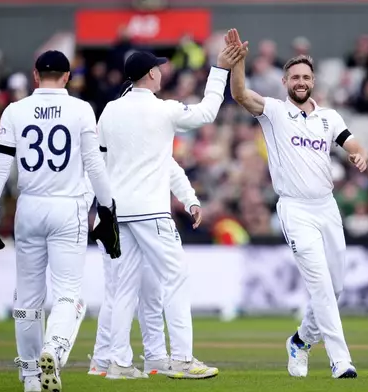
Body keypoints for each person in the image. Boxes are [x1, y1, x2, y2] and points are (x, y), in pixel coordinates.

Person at [96, 36, 246, 379]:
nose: (163, 72)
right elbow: (208, 112)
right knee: (176, 278)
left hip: (119, 212)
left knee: (124, 288)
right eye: (159, 68)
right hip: (151, 211)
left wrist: (102, 208)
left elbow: (102, 161)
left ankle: (118, 362)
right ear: (150, 74)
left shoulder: (109, 110)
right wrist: (220, 68)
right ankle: (181, 359)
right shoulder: (164, 109)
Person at [227, 29, 368, 379]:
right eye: (295, 77)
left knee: (335, 288)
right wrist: (239, 63)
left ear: (313, 81)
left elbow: (353, 144)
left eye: (306, 77)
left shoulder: (329, 117)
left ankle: (301, 341)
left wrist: (360, 156)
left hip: (327, 207)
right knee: (320, 285)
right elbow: (241, 94)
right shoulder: (274, 112)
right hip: (295, 209)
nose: (301, 82)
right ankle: (341, 360)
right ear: (285, 81)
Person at [0, 50, 120, 392]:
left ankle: (29, 378)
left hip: (29, 206)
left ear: (36, 75)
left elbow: (0, 165)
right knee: (68, 293)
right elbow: (94, 165)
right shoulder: (81, 109)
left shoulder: (15, 110)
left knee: (27, 300)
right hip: (67, 206)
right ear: (68, 77)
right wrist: (107, 209)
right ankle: (54, 349)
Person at [88, 158, 203, 378]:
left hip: (122, 218)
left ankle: (149, 356)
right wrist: (190, 199)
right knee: (123, 291)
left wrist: (190, 200)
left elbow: (91, 168)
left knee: (148, 292)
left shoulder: (117, 129)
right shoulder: (139, 131)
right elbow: (171, 167)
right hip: (135, 219)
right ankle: (108, 359)